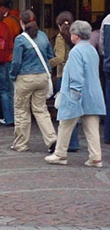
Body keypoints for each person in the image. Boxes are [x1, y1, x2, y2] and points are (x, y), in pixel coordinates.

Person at [45, 21, 106, 167]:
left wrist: (74, 95)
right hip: (93, 94)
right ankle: (95, 156)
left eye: (72, 33)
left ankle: (60, 154)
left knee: (65, 123)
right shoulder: (91, 49)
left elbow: (76, 76)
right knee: (91, 127)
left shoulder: (76, 51)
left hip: (77, 95)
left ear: (76, 35)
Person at [9, 9, 57, 153]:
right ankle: (52, 139)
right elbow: (50, 55)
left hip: (25, 78)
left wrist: (12, 76)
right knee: (41, 109)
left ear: (21, 22)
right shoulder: (42, 35)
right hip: (42, 77)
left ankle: (20, 144)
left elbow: (16, 62)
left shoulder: (20, 39)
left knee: (21, 110)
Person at [49, 11, 79, 152]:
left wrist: (46, 64)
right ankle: (74, 141)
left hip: (63, 76)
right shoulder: (76, 36)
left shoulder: (60, 37)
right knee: (74, 109)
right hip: (75, 75)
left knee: (64, 112)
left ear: (58, 23)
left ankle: (67, 143)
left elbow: (59, 58)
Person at [100, 12, 110, 145]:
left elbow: (102, 45)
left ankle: (108, 135)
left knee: (109, 101)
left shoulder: (107, 20)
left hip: (108, 65)